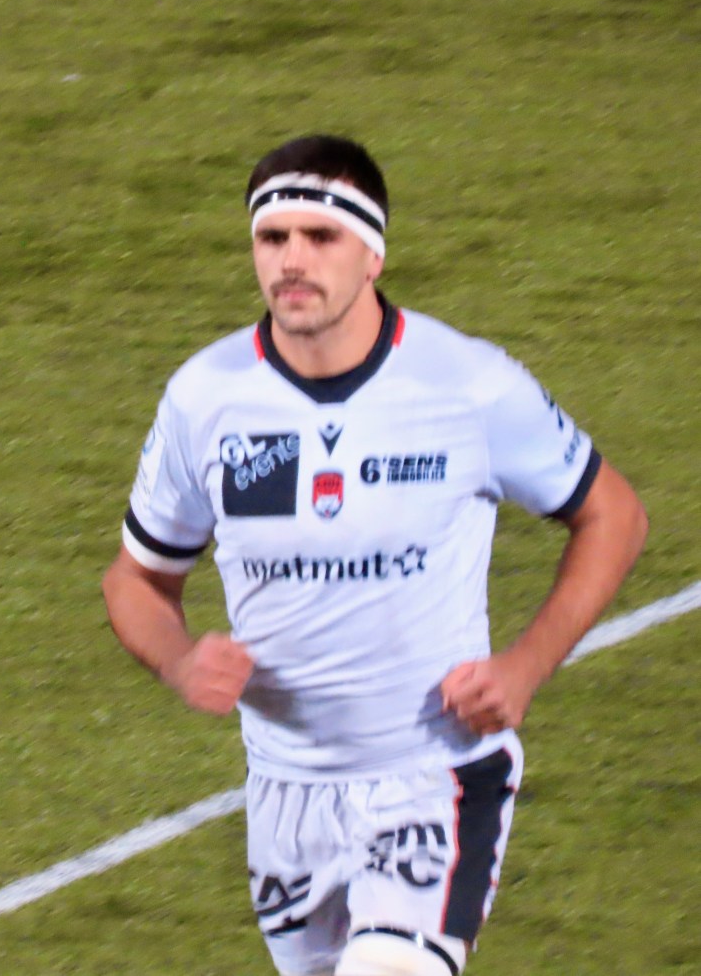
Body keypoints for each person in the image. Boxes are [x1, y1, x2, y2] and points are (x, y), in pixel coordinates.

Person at [102, 134, 648, 976]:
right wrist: (178, 660)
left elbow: (613, 513)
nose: (291, 259)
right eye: (271, 237)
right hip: (284, 796)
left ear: (373, 253)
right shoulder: (206, 398)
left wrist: (526, 665)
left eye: (319, 236)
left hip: (434, 775)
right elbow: (137, 577)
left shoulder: (466, 384)